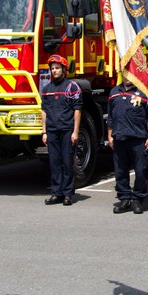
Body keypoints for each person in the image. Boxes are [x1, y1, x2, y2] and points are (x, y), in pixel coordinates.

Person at [106, 72, 148, 215]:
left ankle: (137, 199)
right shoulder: (114, 92)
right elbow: (110, 116)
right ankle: (124, 199)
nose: (127, 78)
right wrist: (110, 135)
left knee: (141, 171)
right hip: (119, 138)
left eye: (130, 74)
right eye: (125, 74)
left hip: (138, 139)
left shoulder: (145, 92)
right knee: (120, 171)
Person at [41, 53, 82, 206]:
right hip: (52, 131)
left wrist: (75, 132)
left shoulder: (72, 87)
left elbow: (77, 110)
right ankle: (56, 193)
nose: (55, 71)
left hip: (67, 131)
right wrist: (44, 132)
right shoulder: (46, 89)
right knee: (54, 163)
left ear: (64, 69)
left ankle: (68, 194)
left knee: (67, 162)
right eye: (52, 69)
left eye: (57, 68)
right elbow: (43, 111)